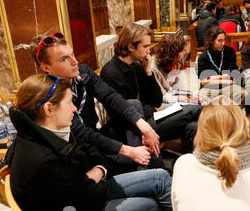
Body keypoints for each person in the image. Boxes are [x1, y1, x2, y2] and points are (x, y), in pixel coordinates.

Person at [3, 74, 175, 211]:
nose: (75, 108)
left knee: (160, 177)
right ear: (49, 109)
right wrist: (92, 178)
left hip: (89, 195)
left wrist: (97, 172)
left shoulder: (44, 130)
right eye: (69, 102)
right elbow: (89, 198)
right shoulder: (43, 159)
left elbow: (90, 149)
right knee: (153, 204)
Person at [30, 31, 160, 176]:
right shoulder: (51, 96)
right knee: (151, 163)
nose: (75, 62)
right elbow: (82, 134)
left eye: (72, 54)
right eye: (64, 59)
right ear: (46, 67)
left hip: (98, 136)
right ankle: (144, 173)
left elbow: (111, 96)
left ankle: (143, 171)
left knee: (134, 105)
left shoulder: (83, 72)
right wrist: (130, 151)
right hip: (85, 152)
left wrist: (144, 127)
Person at [101, 24, 202, 173]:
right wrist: (153, 110)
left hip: (150, 116)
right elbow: (125, 113)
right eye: (146, 46)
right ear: (131, 46)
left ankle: (194, 168)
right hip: (137, 128)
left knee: (193, 126)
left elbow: (156, 100)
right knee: (196, 110)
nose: (149, 50)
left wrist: (148, 72)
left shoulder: (136, 65)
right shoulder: (111, 73)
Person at [196, 26, 246, 108]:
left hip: (228, 87)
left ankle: (234, 117)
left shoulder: (229, 52)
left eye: (224, 40)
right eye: (219, 41)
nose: (223, 43)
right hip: (210, 88)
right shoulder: (203, 57)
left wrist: (214, 79)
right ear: (211, 41)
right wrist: (224, 78)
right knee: (202, 99)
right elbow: (204, 81)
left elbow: (233, 73)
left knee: (243, 95)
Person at [151, 29, 203, 105]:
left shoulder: (178, 62)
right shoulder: (153, 68)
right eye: (182, 51)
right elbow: (161, 96)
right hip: (160, 101)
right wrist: (179, 98)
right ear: (172, 53)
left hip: (171, 94)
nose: (185, 53)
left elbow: (180, 88)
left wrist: (189, 96)